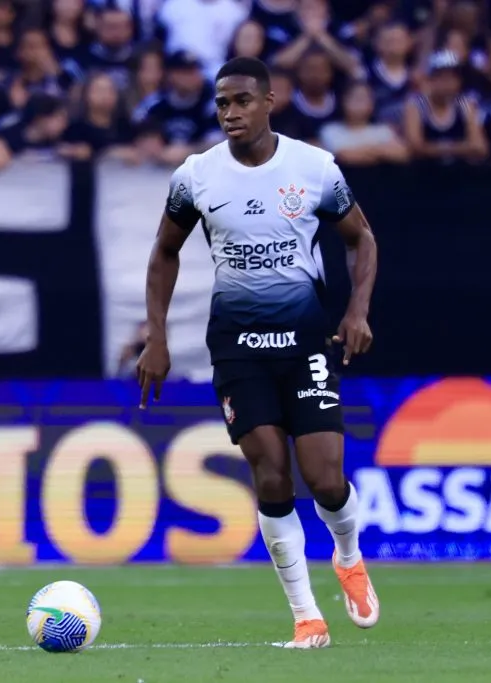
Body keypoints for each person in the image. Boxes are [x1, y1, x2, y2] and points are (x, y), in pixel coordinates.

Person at [136, 56, 379, 649]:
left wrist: (356, 312)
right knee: (270, 472)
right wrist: (157, 335)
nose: (230, 113)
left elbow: (361, 237)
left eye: (242, 100)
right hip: (237, 347)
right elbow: (164, 253)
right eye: (222, 104)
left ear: (269, 101)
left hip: (304, 341)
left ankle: (348, 555)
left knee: (325, 480)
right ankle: (306, 617)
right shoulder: (195, 177)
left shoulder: (314, 168)